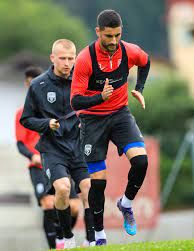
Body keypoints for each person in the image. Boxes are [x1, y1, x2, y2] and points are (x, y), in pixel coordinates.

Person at [71, 9, 150, 246]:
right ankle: (100, 236)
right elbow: (75, 101)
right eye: (108, 36)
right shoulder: (85, 59)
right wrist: (99, 98)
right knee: (98, 181)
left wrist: (140, 88)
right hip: (92, 120)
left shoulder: (129, 50)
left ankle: (126, 204)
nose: (113, 41)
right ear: (98, 33)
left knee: (141, 161)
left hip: (119, 115)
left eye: (117, 35)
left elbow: (145, 62)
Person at [20, 40, 95, 249]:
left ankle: (92, 239)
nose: (67, 63)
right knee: (62, 189)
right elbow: (26, 119)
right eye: (63, 58)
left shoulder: (81, 82)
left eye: (71, 58)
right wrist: (46, 124)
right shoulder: (38, 85)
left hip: (78, 147)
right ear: (52, 58)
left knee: (88, 188)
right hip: (53, 149)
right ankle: (66, 237)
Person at [15, 66, 81, 250]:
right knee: (48, 203)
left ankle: (63, 233)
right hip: (38, 165)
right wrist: (32, 156)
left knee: (74, 206)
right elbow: (20, 143)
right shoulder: (22, 113)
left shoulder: (57, 105)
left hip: (59, 158)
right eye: (29, 83)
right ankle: (56, 245)